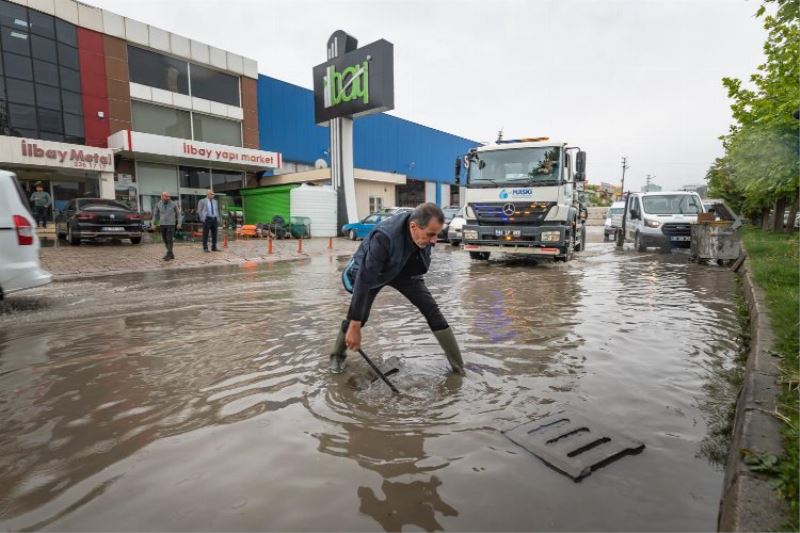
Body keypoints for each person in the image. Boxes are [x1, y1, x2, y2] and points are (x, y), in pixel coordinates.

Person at [329, 203, 465, 375]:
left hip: (405, 272)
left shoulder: (422, 234)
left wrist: (428, 239)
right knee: (359, 316)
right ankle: (336, 356)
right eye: (431, 234)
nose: (434, 241)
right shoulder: (384, 236)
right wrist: (355, 325)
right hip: (375, 274)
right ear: (414, 227)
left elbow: (421, 259)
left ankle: (458, 367)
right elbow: (364, 279)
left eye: (437, 234)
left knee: (432, 310)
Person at [151, 192, 180, 261]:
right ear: (162, 197)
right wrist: (153, 224)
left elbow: (178, 214)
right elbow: (155, 215)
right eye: (166, 196)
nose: (167, 198)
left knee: (169, 239)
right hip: (162, 224)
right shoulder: (158, 204)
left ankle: (168, 255)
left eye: (168, 196)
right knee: (165, 240)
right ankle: (171, 254)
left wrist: (179, 223)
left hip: (171, 224)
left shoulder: (173, 204)